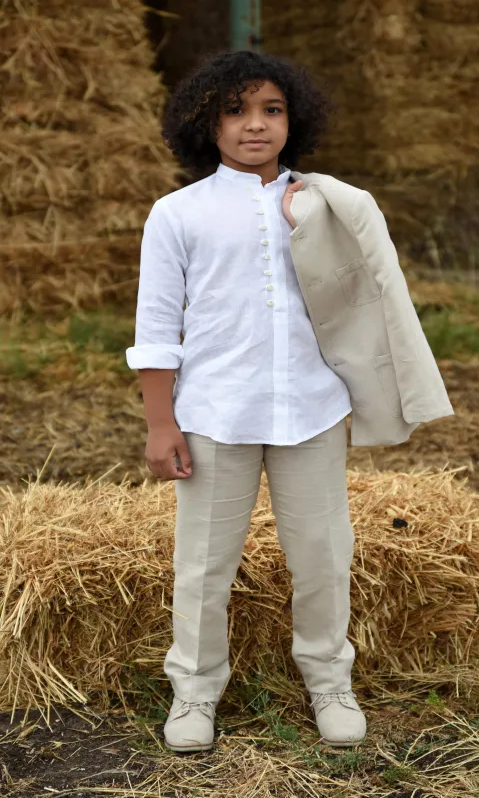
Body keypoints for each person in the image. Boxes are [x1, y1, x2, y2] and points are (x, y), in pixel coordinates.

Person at [126, 49, 367, 753]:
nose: (254, 125)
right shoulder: (177, 214)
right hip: (214, 417)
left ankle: (329, 682)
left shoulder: (327, 205)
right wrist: (161, 423)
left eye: (271, 109)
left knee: (323, 553)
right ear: (207, 122)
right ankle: (195, 692)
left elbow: (365, 303)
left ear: (295, 118)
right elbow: (155, 327)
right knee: (203, 562)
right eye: (235, 111)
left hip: (312, 411)